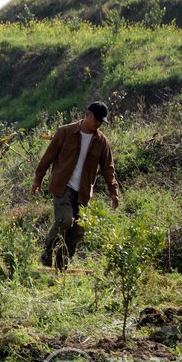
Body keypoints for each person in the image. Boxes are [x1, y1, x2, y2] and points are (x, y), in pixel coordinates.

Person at [31, 101, 120, 268]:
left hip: (84, 192)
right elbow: (48, 157)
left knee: (79, 230)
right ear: (87, 114)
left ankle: (62, 262)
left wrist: (113, 192)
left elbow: (108, 168)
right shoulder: (65, 132)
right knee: (65, 221)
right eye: (96, 119)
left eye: (102, 121)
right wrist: (38, 179)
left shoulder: (101, 141)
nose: (98, 123)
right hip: (63, 186)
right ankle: (47, 254)